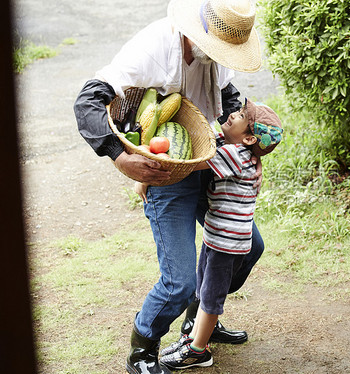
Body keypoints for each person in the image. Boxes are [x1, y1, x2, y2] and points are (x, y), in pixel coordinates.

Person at [73, 1, 266, 373]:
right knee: (179, 280)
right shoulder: (153, 48)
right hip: (165, 170)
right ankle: (142, 351)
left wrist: (252, 143)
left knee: (247, 248)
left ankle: (198, 325)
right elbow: (88, 99)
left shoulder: (217, 55)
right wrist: (119, 155)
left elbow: (226, 98)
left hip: (207, 163)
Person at [134, 99, 282, 369]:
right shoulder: (236, 149)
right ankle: (188, 334)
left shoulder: (233, 154)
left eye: (239, 116)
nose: (232, 114)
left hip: (226, 244)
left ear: (249, 138)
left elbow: (189, 162)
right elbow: (216, 139)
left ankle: (197, 349)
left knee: (210, 295)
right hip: (218, 238)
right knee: (199, 285)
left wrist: (146, 174)